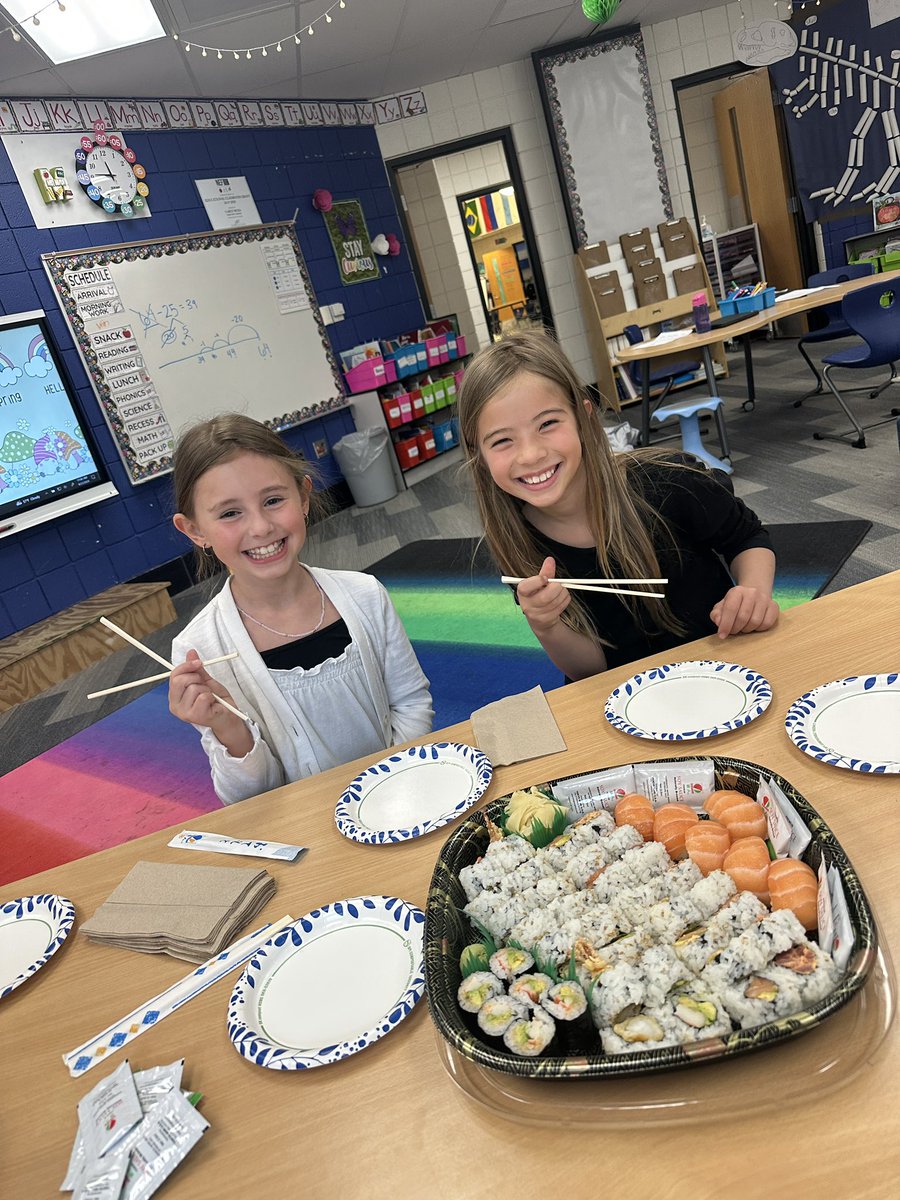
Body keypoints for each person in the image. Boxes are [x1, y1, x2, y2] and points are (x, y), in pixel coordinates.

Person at [457, 331, 779, 682]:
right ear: (479, 455)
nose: (531, 454)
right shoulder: (518, 541)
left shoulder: (667, 481)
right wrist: (545, 625)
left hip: (723, 667)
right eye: (502, 440)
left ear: (584, 417)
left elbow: (747, 537)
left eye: (548, 424)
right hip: (622, 700)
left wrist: (752, 592)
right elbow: (589, 670)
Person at [168, 414, 433, 804]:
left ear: (304, 497)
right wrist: (227, 726)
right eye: (229, 513)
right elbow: (247, 799)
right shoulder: (199, 649)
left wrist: (390, 793)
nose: (260, 527)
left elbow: (412, 704)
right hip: (308, 831)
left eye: (273, 501)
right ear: (195, 531)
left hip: (400, 798)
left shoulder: (365, 595)